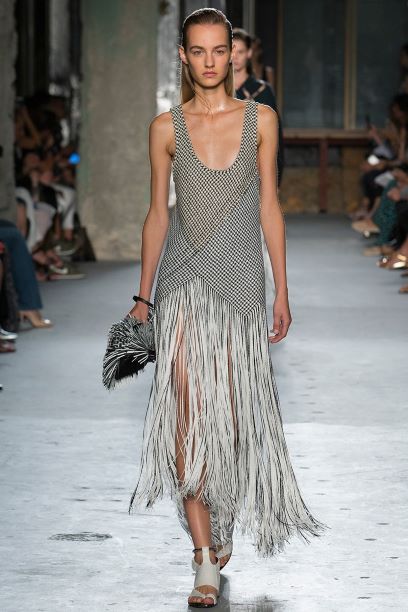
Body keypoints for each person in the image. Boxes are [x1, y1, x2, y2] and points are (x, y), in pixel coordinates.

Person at [127, 8, 326, 608]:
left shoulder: (260, 120)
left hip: (241, 287)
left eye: (220, 50)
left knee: (232, 419)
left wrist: (282, 289)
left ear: (232, 55)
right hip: (183, 283)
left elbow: (269, 206)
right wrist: (143, 297)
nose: (210, 61)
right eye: (199, 51)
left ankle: (223, 513)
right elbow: (158, 215)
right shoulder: (165, 128)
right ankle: (203, 557)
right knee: (185, 413)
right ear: (184, 56)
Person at [232, 27, 284, 186]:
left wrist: (276, 181)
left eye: (240, 52)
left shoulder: (262, 91)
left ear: (249, 53)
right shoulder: (217, 91)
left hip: (255, 175)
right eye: (232, 51)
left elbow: (275, 137)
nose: (235, 57)